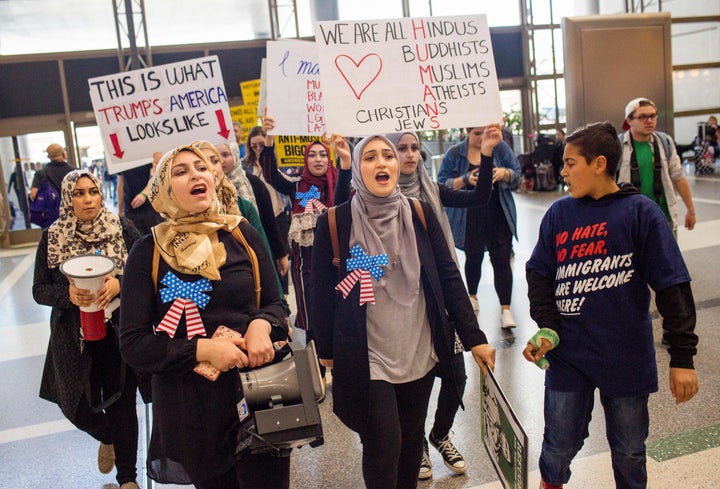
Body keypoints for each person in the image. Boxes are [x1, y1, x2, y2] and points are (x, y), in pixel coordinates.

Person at [310, 135, 496, 489]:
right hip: (367, 353)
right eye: (370, 157)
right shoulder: (336, 222)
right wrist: (327, 354)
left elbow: (449, 279)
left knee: (411, 442)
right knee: (384, 443)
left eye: (387, 156)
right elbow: (320, 292)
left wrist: (476, 340)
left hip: (417, 348)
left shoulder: (419, 213)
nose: (382, 163)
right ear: (357, 170)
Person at [523, 121, 699, 489]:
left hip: (626, 354)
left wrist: (682, 359)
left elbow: (672, 285)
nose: (563, 172)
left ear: (599, 164)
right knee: (557, 445)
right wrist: (548, 328)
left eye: (571, 163)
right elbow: (539, 275)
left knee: (630, 449)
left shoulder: (640, 212)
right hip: (569, 354)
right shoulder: (559, 214)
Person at [119, 144, 290, 489]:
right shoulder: (148, 251)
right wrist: (203, 350)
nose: (196, 174)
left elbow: (277, 306)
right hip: (193, 409)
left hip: (259, 395)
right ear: (163, 190)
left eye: (201, 167)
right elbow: (134, 344)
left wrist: (262, 324)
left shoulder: (242, 234)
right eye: (180, 171)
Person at [32, 169, 142, 489]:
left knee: (122, 402)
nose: (88, 199)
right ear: (68, 198)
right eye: (78, 193)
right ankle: (107, 436)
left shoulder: (121, 228)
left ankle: (128, 478)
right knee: (74, 404)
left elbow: (145, 273)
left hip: (117, 331)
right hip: (72, 336)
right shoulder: (52, 237)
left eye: (92, 191)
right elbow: (39, 290)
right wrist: (67, 295)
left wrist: (120, 285)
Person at [437, 126, 521, 328]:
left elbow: (517, 175)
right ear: (467, 132)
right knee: (473, 258)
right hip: (469, 217)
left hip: (499, 214)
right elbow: (441, 184)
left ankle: (505, 309)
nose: (482, 138)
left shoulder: (500, 149)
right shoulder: (455, 153)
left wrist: (503, 173)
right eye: (477, 134)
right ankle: (472, 295)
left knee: (502, 261)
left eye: (485, 132)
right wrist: (466, 180)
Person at [260, 116, 338, 331]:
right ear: (305, 160)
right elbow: (270, 175)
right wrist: (269, 140)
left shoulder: (340, 184)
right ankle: (316, 365)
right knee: (313, 322)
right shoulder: (296, 187)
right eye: (312, 155)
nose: (318, 159)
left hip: (337, 264)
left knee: (338, 317)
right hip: (307, 267)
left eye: (323, 154)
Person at [617, 97, 697, 234]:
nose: (649, 120)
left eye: (652, 116)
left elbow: (678, 176)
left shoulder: (664, 142)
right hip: (629, 218)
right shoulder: (617, 146)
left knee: (667, 255)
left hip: (663, 216)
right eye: (642, 117)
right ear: (629, 121)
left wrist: (691, 210)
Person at [216, 141, 289, 281]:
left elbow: (268, 221)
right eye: (215, 157)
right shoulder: (208, 189)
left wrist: (280, 254)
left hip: (256, 252)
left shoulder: (253, 183)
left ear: (236, 155)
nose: (221, 160)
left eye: (225, 154)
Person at [244, 124, 292, 298]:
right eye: (254, 145)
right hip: (261, 215)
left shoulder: (275, 163)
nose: (257, 148)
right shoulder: (245, 168)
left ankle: (284, 292)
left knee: (282, 252)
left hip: (279, 214)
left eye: (261, 145)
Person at [117, 153, 163, 235]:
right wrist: (120, 210)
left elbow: (159, 174)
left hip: (152, 208)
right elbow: (121, 183)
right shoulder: (121, 156)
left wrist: (144, 194)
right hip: (130, 209)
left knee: (157, 241)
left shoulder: (146, 149)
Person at [29, 143, 74, 216]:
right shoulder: (75, 171)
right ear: (64, 154)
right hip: (73, 213)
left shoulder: (41, 173)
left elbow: (33, 195)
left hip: (52, 216)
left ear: (48, 156)